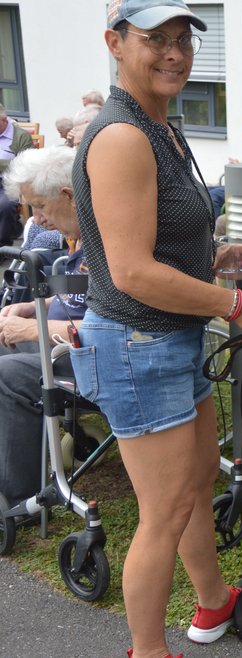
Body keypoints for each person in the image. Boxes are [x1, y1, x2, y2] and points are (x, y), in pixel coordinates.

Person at [70, 2, 242, 656]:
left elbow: (148, 241)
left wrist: (210, 257)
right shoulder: (122, 138)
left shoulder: (161, 125)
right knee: (161, 516)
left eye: (182, 40)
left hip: (171, 339)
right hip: (140, 346)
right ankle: (147, 650)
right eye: (153, 40)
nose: (173, 53)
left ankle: (214, 601)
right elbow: (131, 272)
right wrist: (233, 305)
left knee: (194, 487)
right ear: (114, 43)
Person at [0, 147, 86, 504]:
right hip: (58, 341)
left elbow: (103, 328)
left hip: (83, 356)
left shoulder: (105, 241)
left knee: (5, 373)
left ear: (67, 195)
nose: (36, 219)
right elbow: (74, 298)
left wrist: (32, 329)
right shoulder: (78, 235)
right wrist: (27, 308)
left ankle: (16, 498)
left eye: (40, 206)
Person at [0, 102, 37, 247]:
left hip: (10, 182)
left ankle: (3, 244)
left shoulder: (21, 137)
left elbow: (26, 165)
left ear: (3, 120)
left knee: (4, 205)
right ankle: (14, 228)